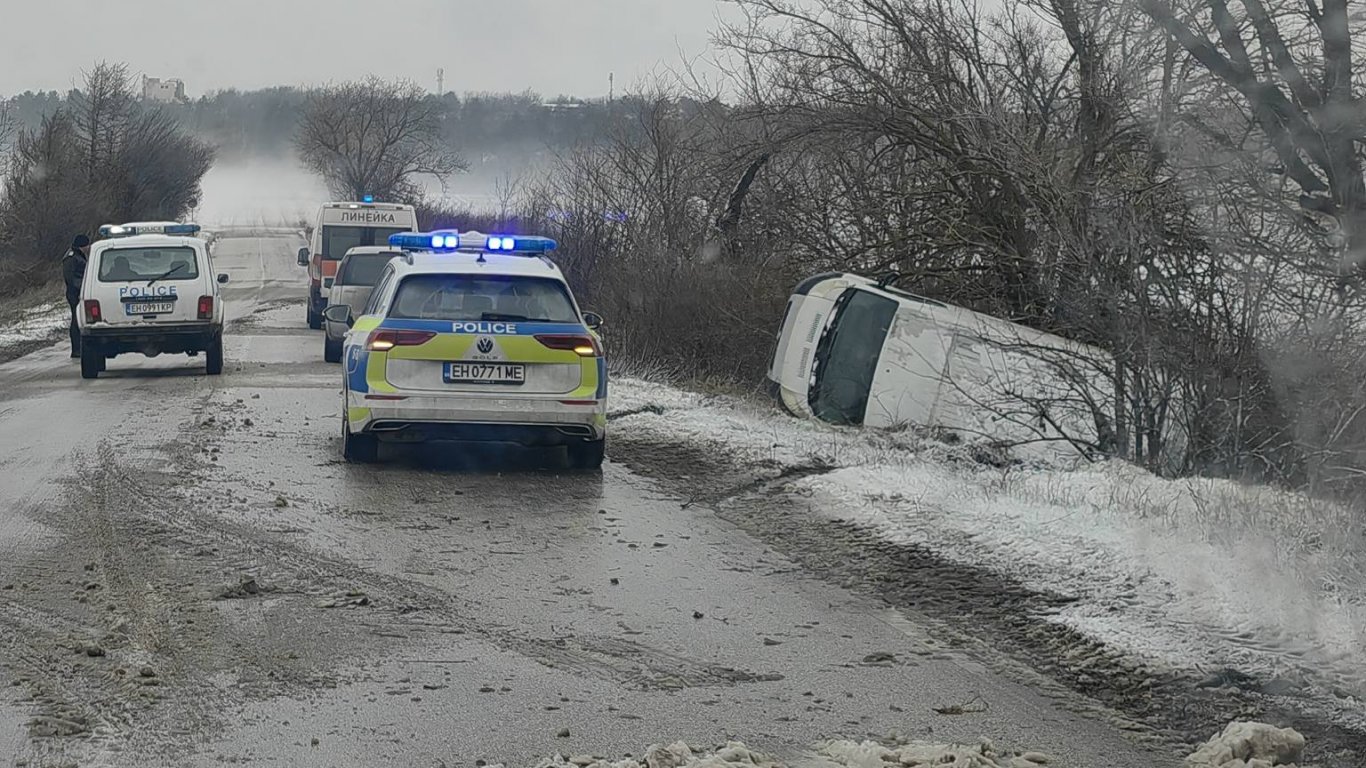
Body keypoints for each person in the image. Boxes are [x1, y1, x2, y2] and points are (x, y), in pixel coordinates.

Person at [61, 234, 92, 358]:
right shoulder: (71, 258)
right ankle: (76, 350)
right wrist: (83, 288)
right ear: (82, 246)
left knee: (80, 319)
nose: (89, 247)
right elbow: (71, 278)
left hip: (79, 292)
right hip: (75, 293)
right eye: (87, 245)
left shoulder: (78, 256)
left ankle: (79, 348)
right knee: (76, 320)